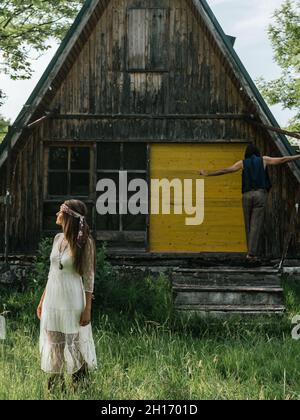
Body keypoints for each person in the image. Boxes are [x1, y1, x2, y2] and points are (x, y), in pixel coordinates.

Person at [199, 143, 300, 263]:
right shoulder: (264, 160)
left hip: (246, 195)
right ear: (257, 152)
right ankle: (251, 254)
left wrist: (208, 174)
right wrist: (298, 156)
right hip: (260, 194)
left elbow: (227, 170)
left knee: (248, 224)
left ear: (246, 153)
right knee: (255, 225)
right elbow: (283, 159)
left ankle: (250, 253)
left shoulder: (242, 162)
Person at [37, 199, 97, 392]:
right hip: (53, 299)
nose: (56, 215)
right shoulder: (57, 239)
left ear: (68, 216)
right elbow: (51, 272)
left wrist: (88, 308)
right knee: (54, 343)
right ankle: (55, 389)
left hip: (73, 299)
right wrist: (42, 300)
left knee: (73, 344)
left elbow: (88, 277)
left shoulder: (84, 242)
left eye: (60, 212)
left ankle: (80, 387)